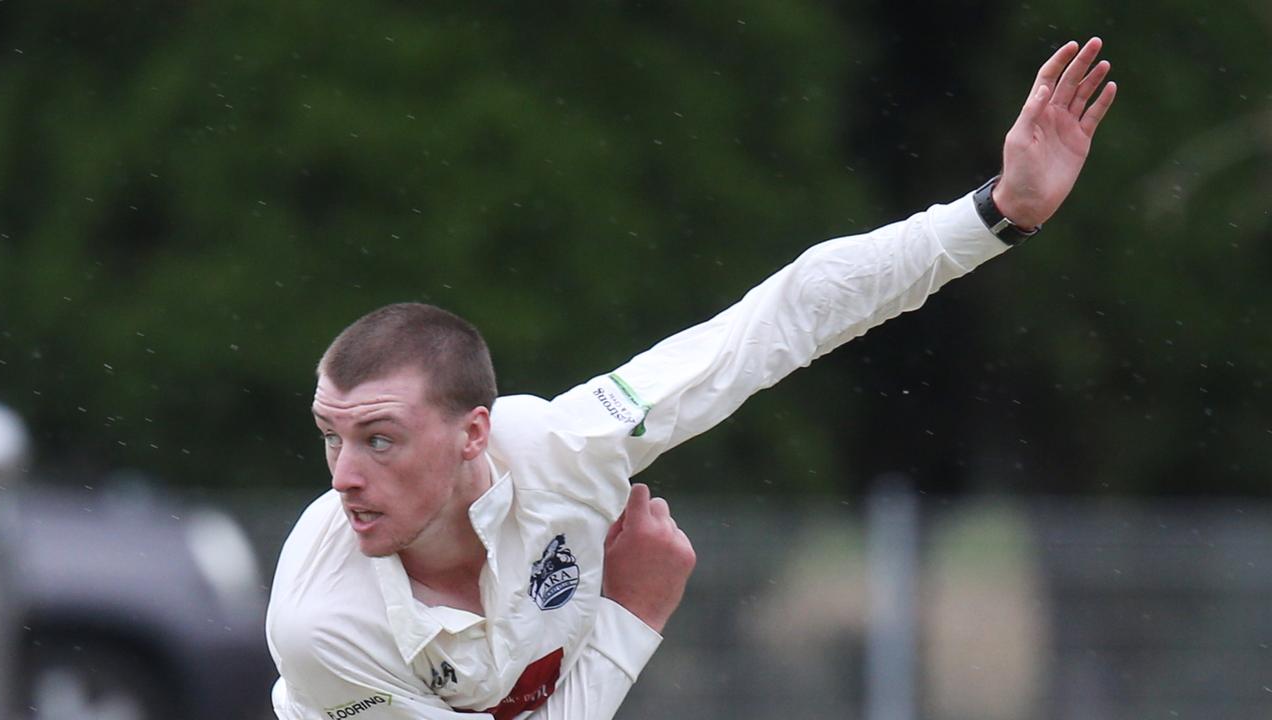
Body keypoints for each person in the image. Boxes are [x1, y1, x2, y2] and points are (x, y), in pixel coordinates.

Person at [266, 38, 1116, 719]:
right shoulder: (320, 625)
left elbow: (784, 316)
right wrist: (635, 611)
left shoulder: (568, 446)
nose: (345, 476)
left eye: (379, 439)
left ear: (473, 433)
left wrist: (1000, 213)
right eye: (331, 437)